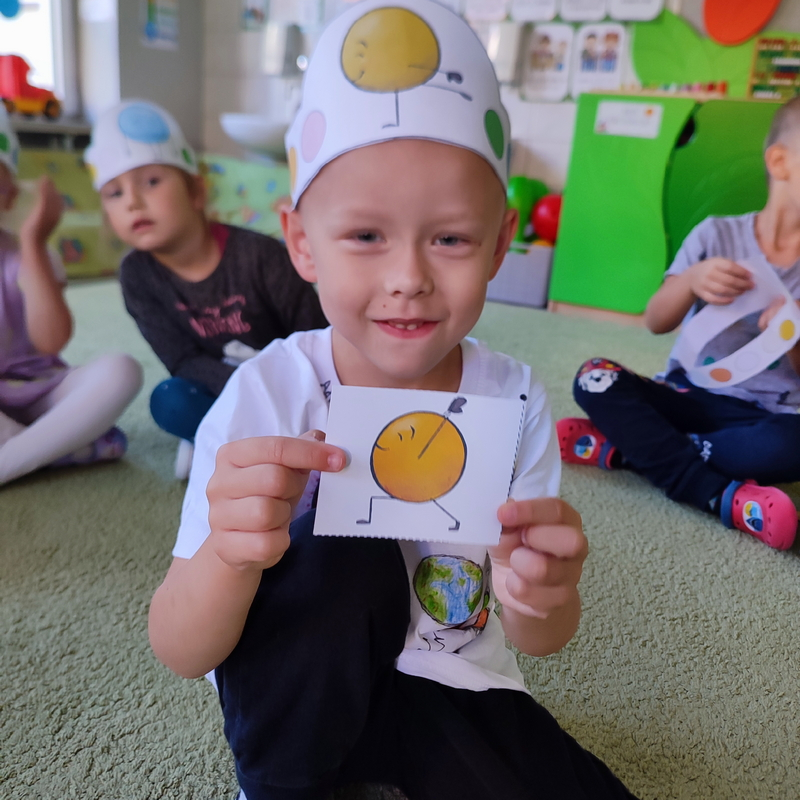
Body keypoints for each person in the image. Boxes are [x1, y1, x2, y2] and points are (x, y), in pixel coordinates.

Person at [148, 3, 639, 799]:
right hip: (297, 687)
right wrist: (229, 555)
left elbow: (539, 638)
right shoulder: (268, 391)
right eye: (366, 236)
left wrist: (543, 592)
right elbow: (180, 648)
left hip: (447, 684)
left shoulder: (511, 394)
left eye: (450, 239)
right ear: (301, 242)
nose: (408, 277)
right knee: (341, 551)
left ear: (501, 242)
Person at [559, 97, 800, 552]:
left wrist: (792, 335)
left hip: (766, 416)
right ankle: (716, 494)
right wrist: (691, 281)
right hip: (687, 394)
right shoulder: (715, 234)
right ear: (780, 162)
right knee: (594, 378)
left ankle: (632, 449)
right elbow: (656, 320)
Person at [84, 100, 328, 478]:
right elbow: (181, 360)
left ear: (196, 191)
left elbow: (315, 337)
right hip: (223, 388)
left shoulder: (260, 256)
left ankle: (226, 444)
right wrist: (244, 389)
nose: (132, 202)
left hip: (290, 383)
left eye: (151, 182)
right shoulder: (136, 276)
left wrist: (276, 388)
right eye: (114, 193)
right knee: (169, 401)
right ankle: (242, 442)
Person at [0, 107, 142, 487]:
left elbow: (51, 340)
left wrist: (33, 242)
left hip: (42, 392)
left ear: (10, 196)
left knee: (122, 370)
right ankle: (52, 448)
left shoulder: (29, 255)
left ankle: (13, 458)